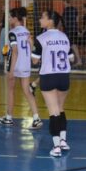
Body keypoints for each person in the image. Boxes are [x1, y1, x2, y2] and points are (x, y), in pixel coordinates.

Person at [31, 10, 76, 157]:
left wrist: (31, 44)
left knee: (53, 111)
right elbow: (71, 58)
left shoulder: (41, 38)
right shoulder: (64, 37)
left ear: (50, 21)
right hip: (64, 76)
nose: (40, 19)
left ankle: (56, 147)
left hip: (48, 76)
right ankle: (63, 141)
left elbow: (35, 61)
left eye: (42, 17)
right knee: (60, 108)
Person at [0, 7, 42, 129]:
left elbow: (15, 52)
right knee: (27, 92)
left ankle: (9, 118)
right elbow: (32, 47)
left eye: (9, 16)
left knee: (11, 91)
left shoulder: (12, 32)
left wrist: (11, 71)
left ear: (14, 18)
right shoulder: (27, 31)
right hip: (26, 65)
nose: (8, 19)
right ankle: (36, 118)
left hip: (16, 65)